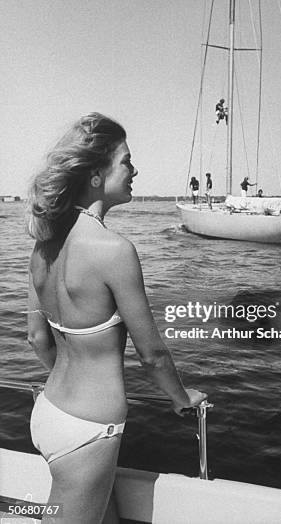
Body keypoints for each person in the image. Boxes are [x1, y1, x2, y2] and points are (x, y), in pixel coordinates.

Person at [26, 113, 206, 524]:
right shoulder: (114, 250)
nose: (134, 169)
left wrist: (69, 396)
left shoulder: (43, 246)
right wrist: (182, 399)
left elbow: (37, 338)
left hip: (49, 411)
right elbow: (153, 355)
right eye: (126, 160)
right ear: (95, 174)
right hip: (87, 431)